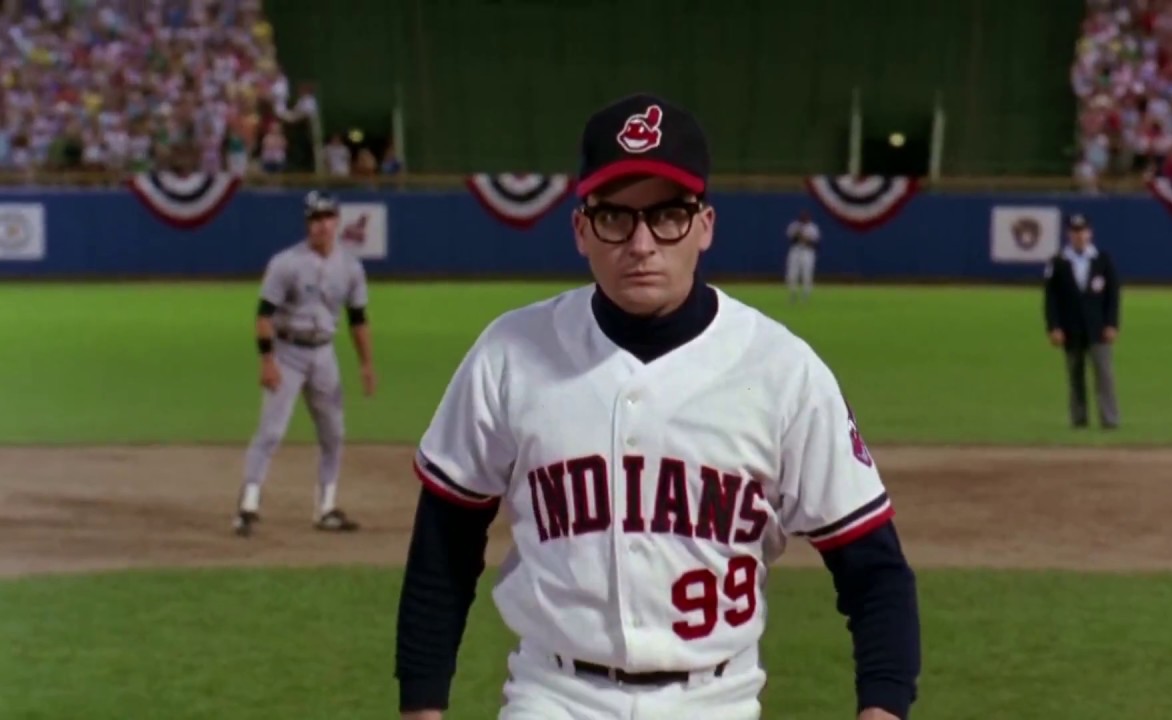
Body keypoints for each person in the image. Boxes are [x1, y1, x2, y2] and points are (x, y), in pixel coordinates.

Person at [394, 93, 921, 720]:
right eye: (614, 217)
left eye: (668, 215)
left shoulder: (782, 370)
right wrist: (421, 705)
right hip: (554, 696)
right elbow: (444, 549)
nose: (641, 243)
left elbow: (874, 570)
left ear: (705, 226)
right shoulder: (509, 354)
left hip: (715, 701)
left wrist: (883, 707)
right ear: (581, 229)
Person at [233, 191, 377, 537]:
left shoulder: (350, 267)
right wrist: (267, 360)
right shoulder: (286, 263)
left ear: (337, 221)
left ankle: (326, 508)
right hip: (287, 352)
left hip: (324, 355)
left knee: (334, 433)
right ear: (306, 223)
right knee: (271, 431)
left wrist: (366, 363)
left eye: (327, 217)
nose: (322, 225)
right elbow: (263, 316)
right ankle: (247, 506)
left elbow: (358, 319)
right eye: (315, 218)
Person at [1043, 212, 1121, 429]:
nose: (1079, 236)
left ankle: (1109, 418)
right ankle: (1079, 418)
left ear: (1090, 233)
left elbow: (1113, 295)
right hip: (1071, 327)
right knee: (1075, 375)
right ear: (1069, 234)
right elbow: (1051, 299)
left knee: (1104, 374)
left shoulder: (1102, 260)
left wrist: (1112, 323)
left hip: (1098, 327)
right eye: (1075, 231)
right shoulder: (1058, 262)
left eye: (1083, 231)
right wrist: (1054, 327)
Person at [784, 209, 821, 302]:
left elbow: (815, 243)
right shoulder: (794, 226)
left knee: (807, 274)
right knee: (792, 273)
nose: (804, 218)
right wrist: (798, 234)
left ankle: (806, 294)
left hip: (807, 252)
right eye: (802, 216)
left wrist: (806, 239)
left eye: (805, 217)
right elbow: (791, 239)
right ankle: (793, 293)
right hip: (795, 250)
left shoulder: (813, 227)